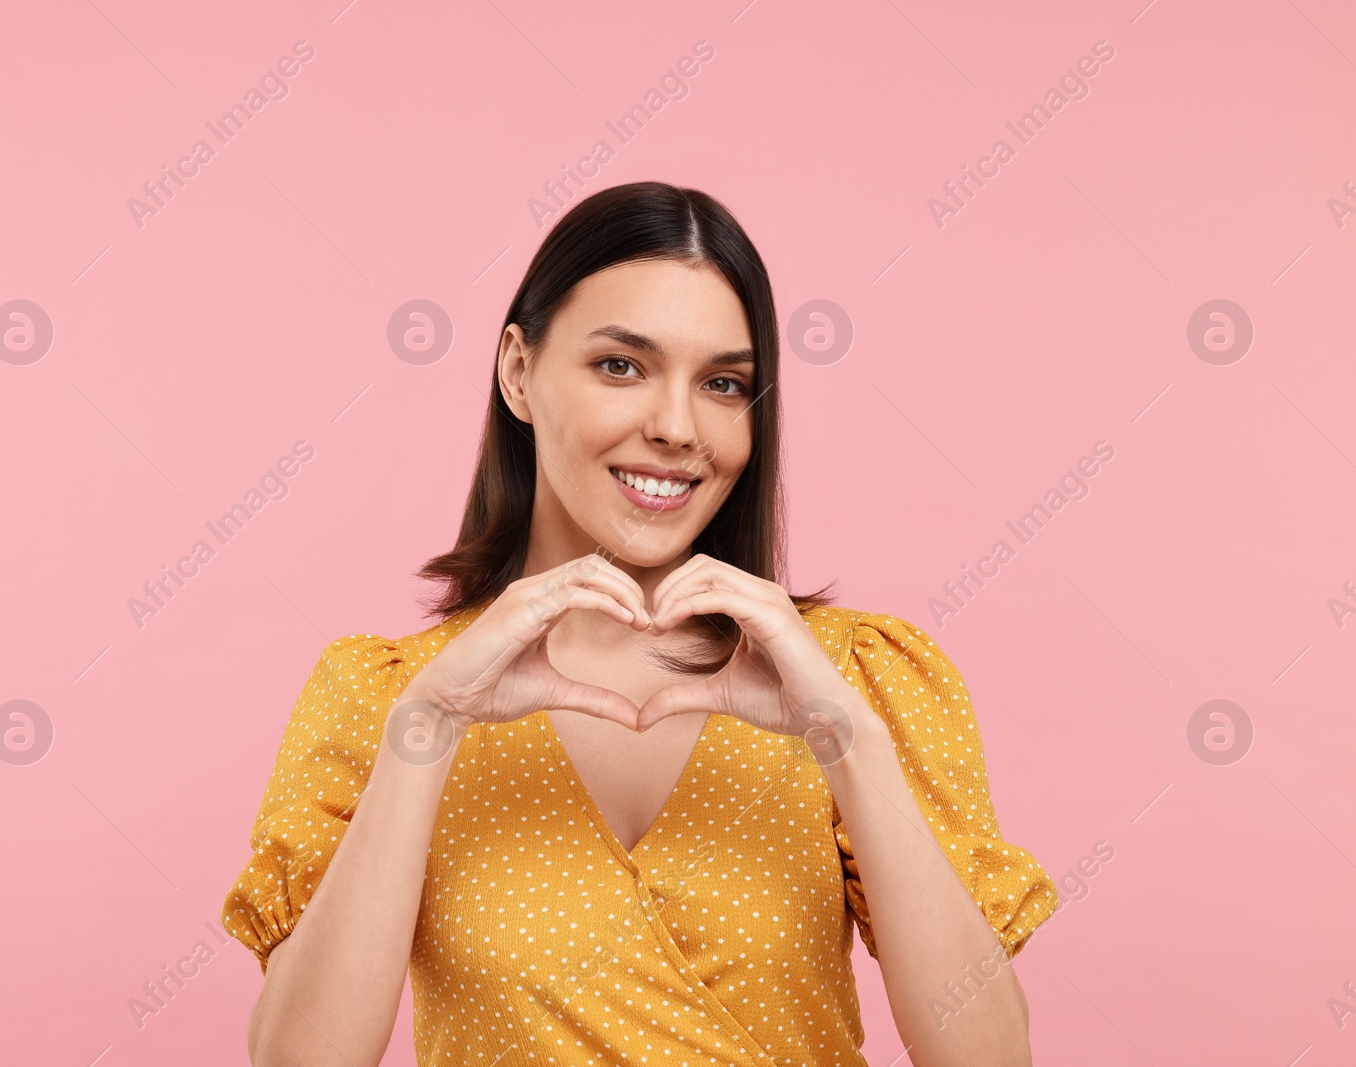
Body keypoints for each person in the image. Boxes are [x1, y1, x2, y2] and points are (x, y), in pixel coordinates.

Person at [221, 181, 1057, 1066]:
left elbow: (990, 1057)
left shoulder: (854, 676)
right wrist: (425, 734)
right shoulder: (391, 696)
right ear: (518, 372)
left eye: (723, 383)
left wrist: (846, 738)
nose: (675, 427)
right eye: (622, 365)